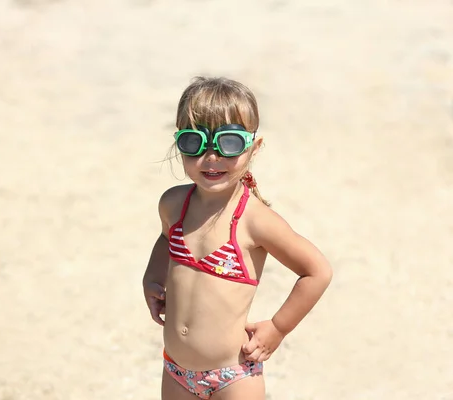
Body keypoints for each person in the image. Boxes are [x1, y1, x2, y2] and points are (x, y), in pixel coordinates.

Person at [142, 76, 333, 400]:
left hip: (233, 376)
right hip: (175, 369)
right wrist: (153, 276)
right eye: (194, 143)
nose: (211, 157)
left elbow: (317, 271)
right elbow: (165, 238)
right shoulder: (174, 204)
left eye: (228, 144)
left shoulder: (254, 220)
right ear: (179, 143)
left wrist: (278, 327)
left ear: (253, 148)